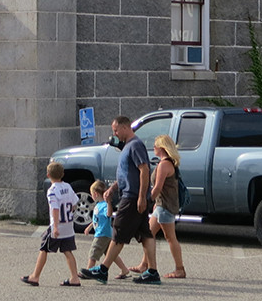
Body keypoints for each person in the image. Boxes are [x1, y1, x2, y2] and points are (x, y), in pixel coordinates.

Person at [80, 116, 160, 285]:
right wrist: (113, 188)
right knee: (145, 234)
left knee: (118, 232)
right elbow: (126, 173)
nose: (114, 134)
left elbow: (144, 170)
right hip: (130, 194)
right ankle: (152, 271)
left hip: (132, 197)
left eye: (116, 130)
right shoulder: (128, 146)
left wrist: (141, 197)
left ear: (125, 127)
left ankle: (103, 270)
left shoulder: (135, 145)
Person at [22, 161, 81, 287]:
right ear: (63, 174)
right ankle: (75, 277)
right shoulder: (68, 187)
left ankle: (35, 276)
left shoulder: (52, 191)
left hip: (57, 226)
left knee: (44, 249)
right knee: (67, 251)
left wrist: (55, 226)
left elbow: (55, 208)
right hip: (68, 226)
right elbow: (75, 203)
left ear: (48, 175)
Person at [148, 134, 186, 278]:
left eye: (155, 146)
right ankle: (145, 264)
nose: (153, 148)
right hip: (160, 206)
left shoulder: (164, 164)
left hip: (165, 207)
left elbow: (158, 187)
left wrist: (147, 200)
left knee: (170, 237)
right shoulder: (168, 163)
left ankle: (180, 269)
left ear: (161, 148)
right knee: (148, 234)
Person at [83, 180, 129, 278]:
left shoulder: (104, 205)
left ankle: (88, 271)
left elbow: (108, 214)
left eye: (91, 194)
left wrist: (109, 203)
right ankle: (124, 269)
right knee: (111, 254)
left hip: (102, 234)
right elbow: (97, 219)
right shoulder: (99, 205)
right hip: (107, 233)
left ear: (95, 194)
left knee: (93, 252)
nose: (91, 196)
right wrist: (89, 227)